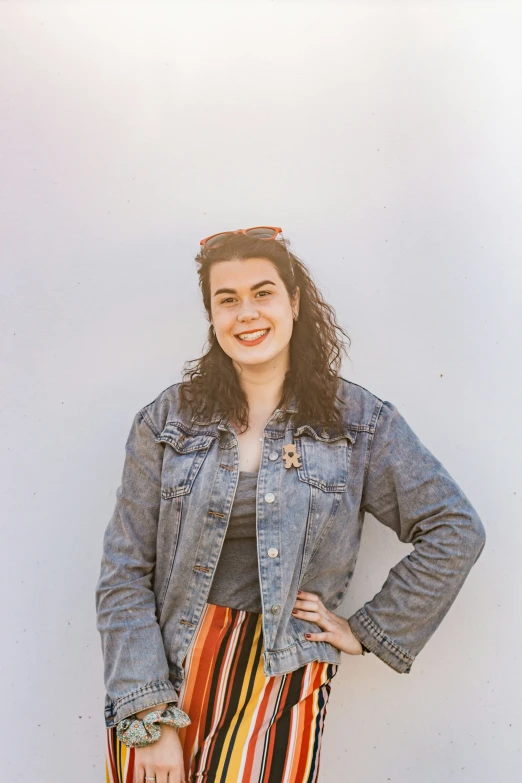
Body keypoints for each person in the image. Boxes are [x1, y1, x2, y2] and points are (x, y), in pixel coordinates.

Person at [96, 226, 486, 783]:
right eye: (226, 300)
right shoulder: (167, 420)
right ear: (212, 316)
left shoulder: (359, 423)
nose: (246, 313)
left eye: (263, 292)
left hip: (284, 679)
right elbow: (124, 572)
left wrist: (369, 630)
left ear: (294, 302)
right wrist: (149, 716)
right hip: (167, 671)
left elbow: (455, 527)